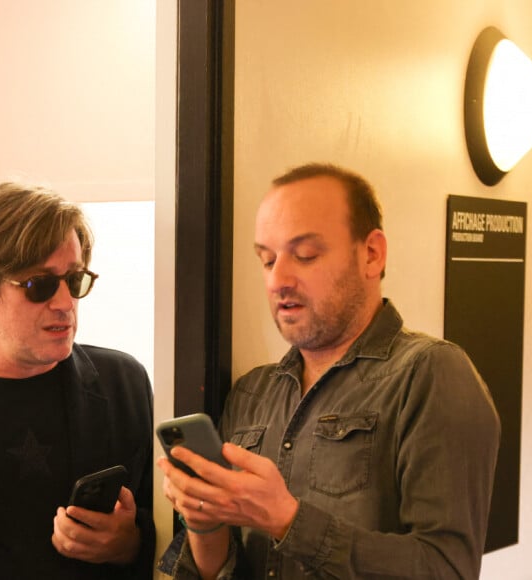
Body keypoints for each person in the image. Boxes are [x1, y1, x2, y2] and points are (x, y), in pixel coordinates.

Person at [157, 163, 501, 579]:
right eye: (267, 261)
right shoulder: (252, 392)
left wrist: (288, 520)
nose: (278, 279)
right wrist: (205, 522)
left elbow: (448, 569)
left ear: (371, 254)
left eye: (305, 255)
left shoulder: (430, 373)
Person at [0, 182, 155, 579]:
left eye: (75, 280)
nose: (66, 303)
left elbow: (168, 524)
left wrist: (129, 545)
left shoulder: (124, 384)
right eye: (40, 285)